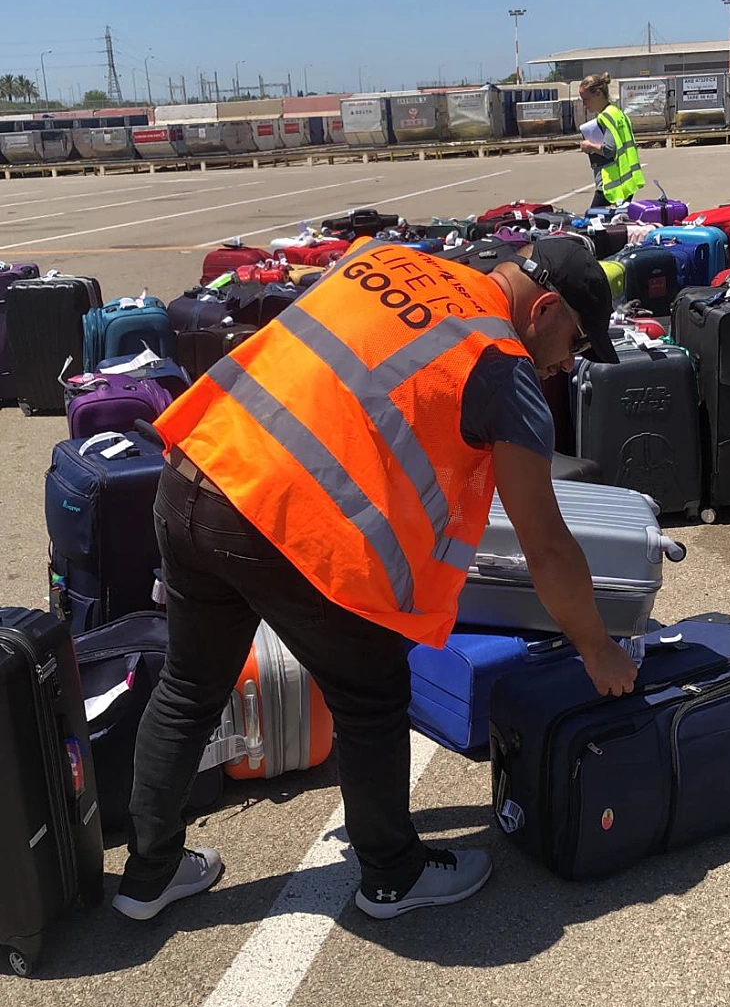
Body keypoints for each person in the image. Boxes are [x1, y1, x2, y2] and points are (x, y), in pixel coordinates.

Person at [112, 234, 638, 926]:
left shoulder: (391, 258)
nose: (568, 362)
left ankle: (148, 876)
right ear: (541, 310)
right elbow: (544, 544)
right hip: (279, 522)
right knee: (371, 694)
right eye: (574, 340)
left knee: (188, 686)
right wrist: (597, 648)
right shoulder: (503, 367)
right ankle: (392, 876)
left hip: (197, 474)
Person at [578, 72, 646, 212]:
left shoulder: (605, 117)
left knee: (592, 221)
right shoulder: (618, 113)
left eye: (586, 99)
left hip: (611, 182)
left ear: (598, 94)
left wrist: (589, 146)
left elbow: (610, 150)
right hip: (626, 179)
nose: (584, 104)